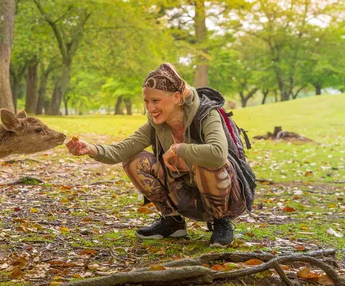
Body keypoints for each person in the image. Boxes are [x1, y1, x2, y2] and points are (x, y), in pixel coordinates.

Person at [66, 63, 254, 246]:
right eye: (146, 101)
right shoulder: (157, 124)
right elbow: (122, 150)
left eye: (156, 101)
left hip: (225, 195)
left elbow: (218, 155)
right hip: (185, 196)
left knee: (205, 161)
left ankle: (221, 223)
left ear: (177, 97)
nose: (150, 108)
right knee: (133, 160)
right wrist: (90, 149)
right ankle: (172, 222)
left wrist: (177, 149)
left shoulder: (206, 114)